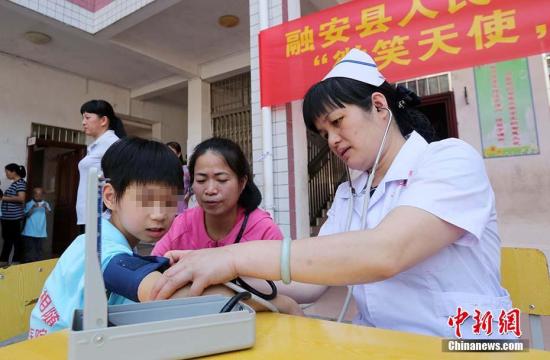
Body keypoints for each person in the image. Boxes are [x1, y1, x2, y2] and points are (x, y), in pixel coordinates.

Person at [151, 49, 513, 339]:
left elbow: (386, 252)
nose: (332, 141)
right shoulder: (350, 192)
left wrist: (232, 257)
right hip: (384, 343)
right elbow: (309, 282)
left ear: (379, 106)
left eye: (337, 122)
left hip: (463, 343)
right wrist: (220, 278)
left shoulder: (449, 159)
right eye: (322, 134)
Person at [28, 137, 183, 338]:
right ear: (110, 197)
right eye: (146, 200)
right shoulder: (101, 249)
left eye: (169, 202)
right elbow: (163, 295)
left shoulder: (99, 239)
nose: (159, 214)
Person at [152, 137, 284, 254]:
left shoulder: (265, 231)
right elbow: (151, 271)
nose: (210, 190)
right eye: (201, 180)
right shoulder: (180, 225)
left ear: (242, 182)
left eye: (221, 180)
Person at [76, 99, 126, 233]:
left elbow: (121, 178)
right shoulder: (97, 145)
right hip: (89, 213)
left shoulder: (113, 144)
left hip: (101, 215)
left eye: (87, 117)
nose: (83, 122)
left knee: (97, 252)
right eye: (83, 118)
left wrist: (107, 210)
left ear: (103, 120)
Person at [0, 163, 27, 264]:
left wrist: (3, 198)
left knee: (16, 241)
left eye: (7, 172)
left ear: (13, 172)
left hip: (15, 218)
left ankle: (16, 262)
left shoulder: (20, 183)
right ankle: (3, 261)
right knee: (8, 240)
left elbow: (21, 198)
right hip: (7, 218)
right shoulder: (14, 183)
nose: (6, 174)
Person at [22, 187, 51, 263]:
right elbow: (27, 215)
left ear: (43, 195)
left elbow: (48, 213)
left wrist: (45, 207)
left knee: (39, 248)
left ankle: (38, 263)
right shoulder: (29, 203)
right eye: (36, 194)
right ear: (33, 195)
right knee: (29, 248)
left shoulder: (46, 203)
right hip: (29, 231)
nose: (38, 196)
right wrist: (33, 207)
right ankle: (28, 263)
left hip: (40, 231)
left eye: (40, 194)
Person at [166, 141, 191, 211]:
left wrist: (189, 194)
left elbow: (195, 182)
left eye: (172, 152)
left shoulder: (185, 170)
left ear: (179, 154)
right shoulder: (163, 170)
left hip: (181, 208)